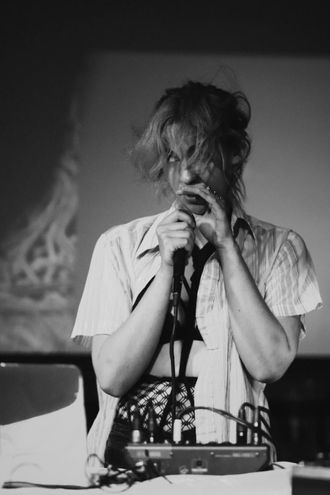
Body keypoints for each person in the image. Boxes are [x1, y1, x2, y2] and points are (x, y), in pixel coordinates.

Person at [71, 80, 322, 467]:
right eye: (171, 157)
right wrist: (166, 267)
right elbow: (113, 376)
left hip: (234, 470)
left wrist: (227, 248)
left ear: (234, 154)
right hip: (122, 468)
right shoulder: (118, 246)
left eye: (198, 154)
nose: (185, 175)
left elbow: (269, 364)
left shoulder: (281, 248)